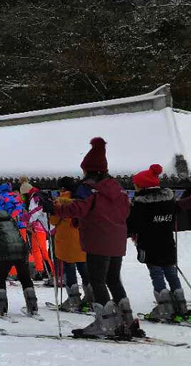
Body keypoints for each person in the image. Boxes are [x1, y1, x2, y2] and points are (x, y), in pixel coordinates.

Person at [43, 137, 143, 339]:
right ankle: (127, 320)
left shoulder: (91, 190)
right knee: (114, 280)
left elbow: (78, 207)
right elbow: (124, 213)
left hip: (98, 239)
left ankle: (105, 322)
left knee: (97, 281)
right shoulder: (119, 191)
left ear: (91, 170)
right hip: (116, 240)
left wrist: (54, 207)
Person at [128, 164, 191, 322]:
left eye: (136, 184)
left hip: (149, 245)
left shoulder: (140, 202)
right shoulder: (169, 200)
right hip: (167, 244)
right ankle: (181, 305)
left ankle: (164, 307)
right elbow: (178, 210)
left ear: (143, 186)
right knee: (172, 274)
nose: (134, 187)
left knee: (157, 274)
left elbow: (133, 224)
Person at [50, 177, 91, 312]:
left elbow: (53, 220)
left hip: (66, 240)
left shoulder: (59, 202)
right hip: (81, 238)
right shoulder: (81, 200)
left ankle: (73, 298)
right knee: (84, 267)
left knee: (69, 268)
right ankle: (92, 296)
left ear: (62, 188)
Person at [21, 185, 53, 282]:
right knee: (38, 249)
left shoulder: (34, 198)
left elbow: (35, 212)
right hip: (41, 226)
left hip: (39, 226)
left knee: (40, 249)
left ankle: (48, 271)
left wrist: (27, 220)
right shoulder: (41, 195)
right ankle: (43, 270)